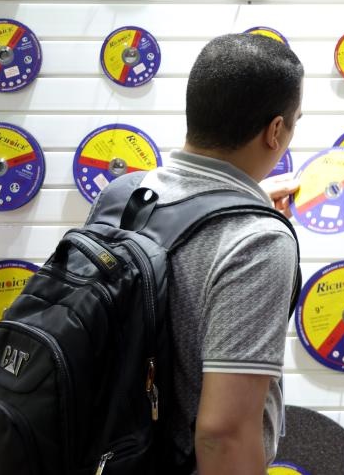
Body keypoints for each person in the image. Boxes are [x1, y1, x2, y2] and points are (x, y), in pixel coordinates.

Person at [124, 34, 303, 474]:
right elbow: (223, 434)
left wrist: (242, 202)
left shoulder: (124, 195)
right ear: (275, 131)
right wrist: (248, 218)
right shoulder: (258, 241)